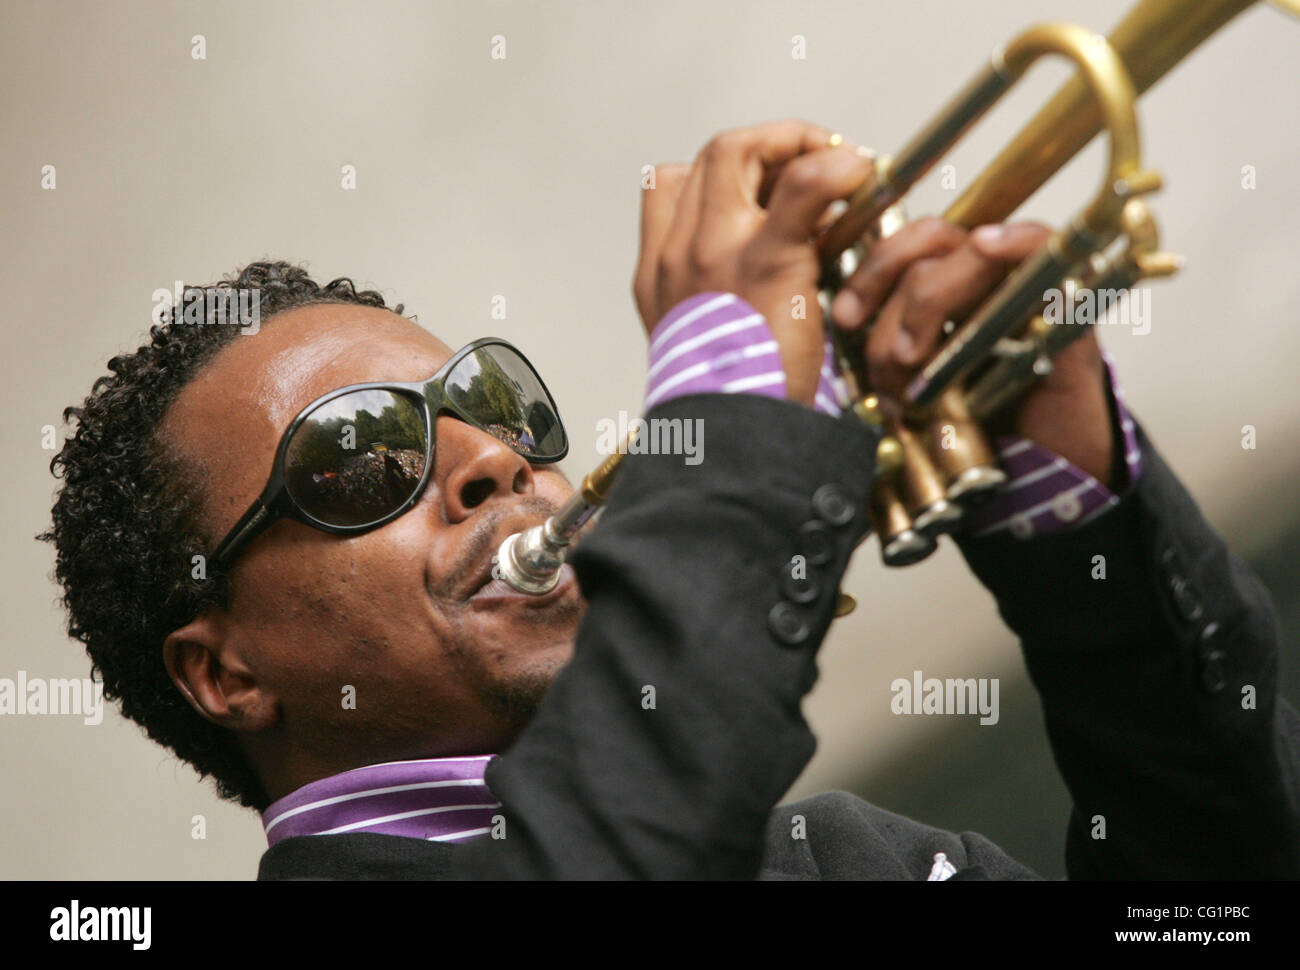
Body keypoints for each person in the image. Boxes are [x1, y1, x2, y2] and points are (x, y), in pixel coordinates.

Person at [42, 120, 1299, 880]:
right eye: (363, 459)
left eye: (497, 405)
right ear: (226, 674)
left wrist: (1076, 529)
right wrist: (734, 438)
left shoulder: (849, 857)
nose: (493, 460)